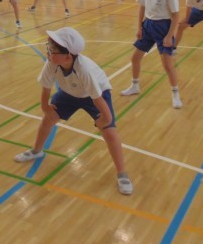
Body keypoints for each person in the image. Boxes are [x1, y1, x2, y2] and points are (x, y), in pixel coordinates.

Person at [13, 27, 133, 196]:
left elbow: (98, 98)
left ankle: (122, 174)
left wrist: (106, 120)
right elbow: (46, 86)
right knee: (48, 119)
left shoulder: (84, 70)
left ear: (68, 56)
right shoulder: (52, 63)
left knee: (109, 132)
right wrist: (45, 107)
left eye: (52, 50)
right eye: (48, 47)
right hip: (69, 92)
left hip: (95, 94)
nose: (48, 52)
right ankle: (36, 151)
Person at [121, 0, 182, 109]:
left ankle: (175, 94)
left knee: (167, 65)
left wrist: (169, 36)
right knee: (135, 58)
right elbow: (142, 7)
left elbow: (176, 15)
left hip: (163, 28)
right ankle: (135, 86)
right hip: (148, 26)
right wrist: (139, 27)